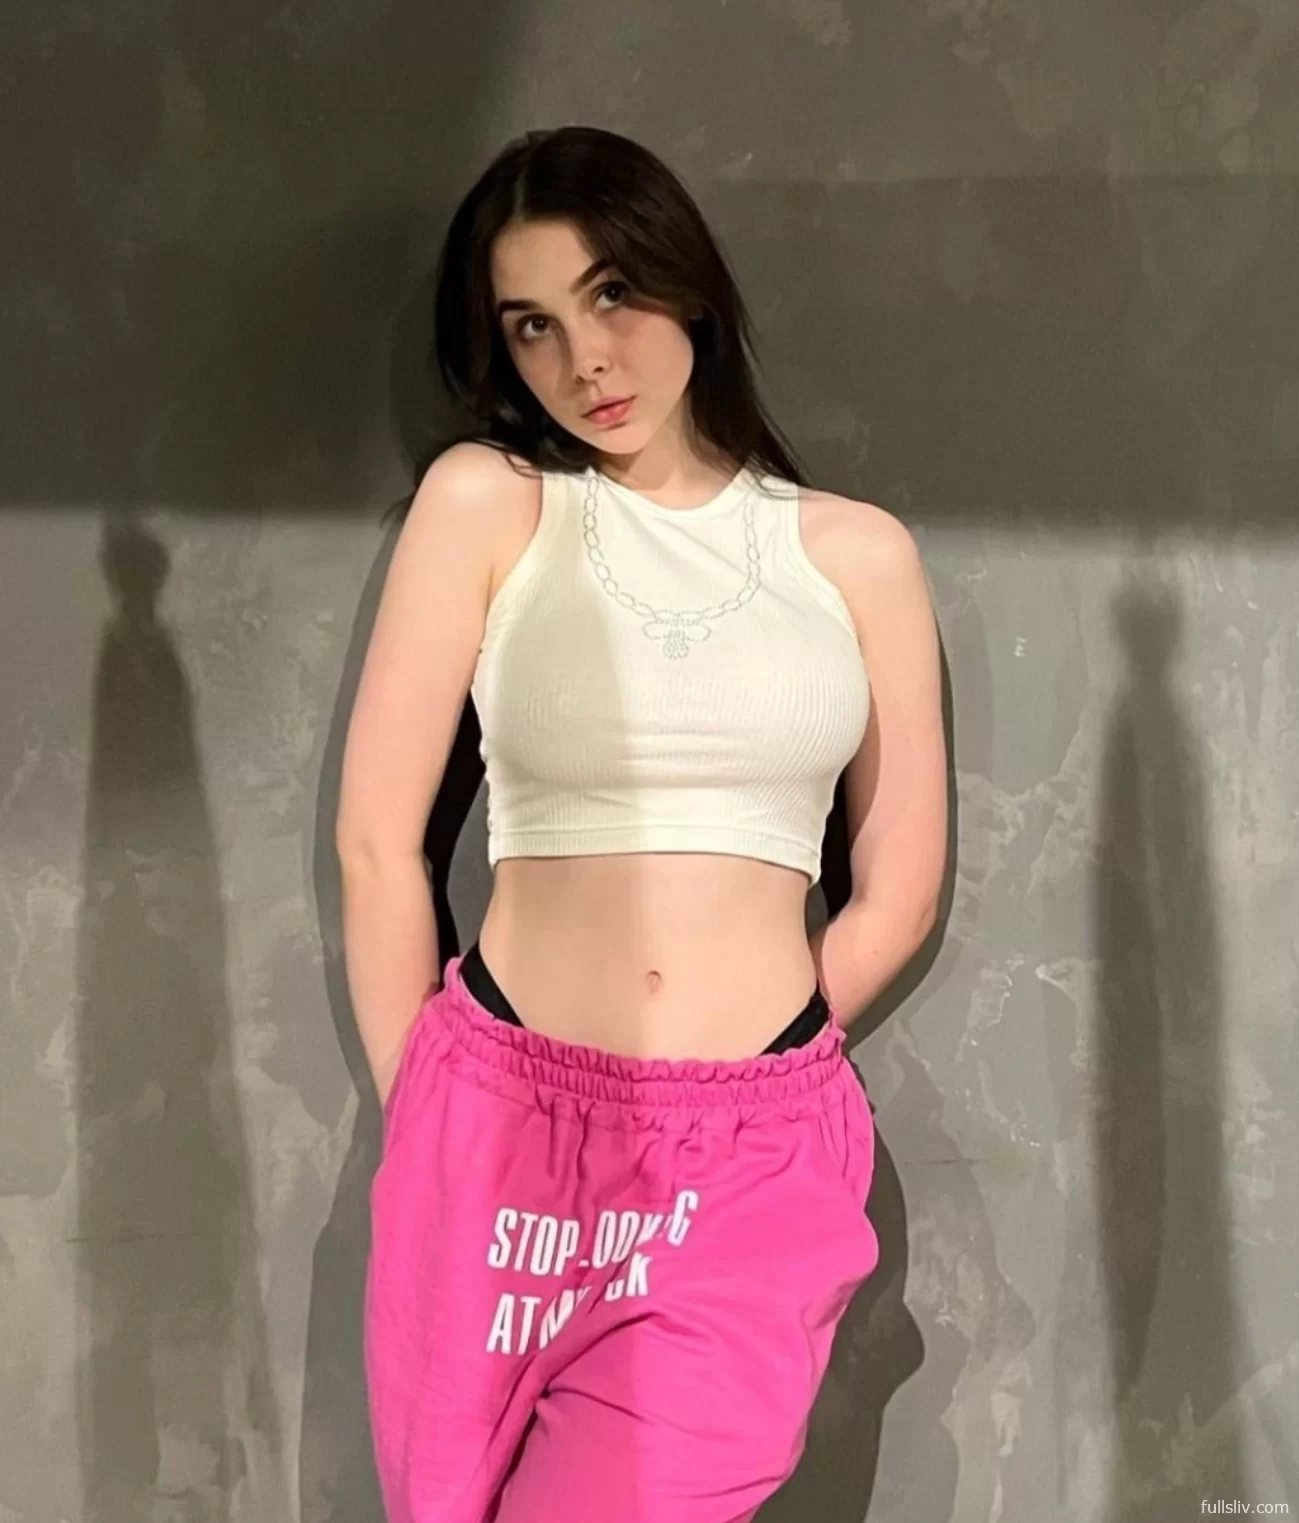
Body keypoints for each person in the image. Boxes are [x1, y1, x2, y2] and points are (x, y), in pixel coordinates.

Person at [335, 125, 947, 1523]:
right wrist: (430, 1107)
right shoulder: (491, 504)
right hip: (493, 1126)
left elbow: (899, 881)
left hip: (746, 1158)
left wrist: (767, 1077)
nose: (584, 361)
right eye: (533, 325)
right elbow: (378, 843)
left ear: (688, 284)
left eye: (611, 294)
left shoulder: (854, 553)